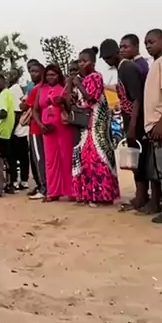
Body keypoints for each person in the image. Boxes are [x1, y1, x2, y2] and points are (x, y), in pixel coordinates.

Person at [100, 38, 149, 211]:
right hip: (130, 120)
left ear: (116, 53)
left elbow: (137, 99)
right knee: (135, 159)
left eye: (108, 57)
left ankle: (142, 197)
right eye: (104, 58)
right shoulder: (122, 68)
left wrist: (133, 126)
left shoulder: (127, 68)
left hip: (137, 121)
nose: (107, 61)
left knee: (139, 159)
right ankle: (140, 196)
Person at [72, 47, 119, 206]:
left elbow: (91, 99)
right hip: (87, 125)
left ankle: (102, 194)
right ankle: (89, 193)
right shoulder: (85, 79)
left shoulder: (96, 77)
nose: (81, 64)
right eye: (79, 61)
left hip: (97, 124)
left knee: (98, 157)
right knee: (86, 157)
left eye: (84, 61)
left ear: (92, 62)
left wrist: (79, 84)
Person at [32, 64, 73, 201]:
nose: (51, 77)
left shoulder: (63, 88)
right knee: (50, 160)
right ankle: (53, 192)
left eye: (53, 75)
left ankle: (70, 191)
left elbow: (70, 108)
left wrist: (63, 102)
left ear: (58, 76)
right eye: (48, 75)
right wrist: (40, 125)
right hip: (47, 129)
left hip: (63, 128)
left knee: (66, 158)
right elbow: (35, 110)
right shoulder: (41, 90)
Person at [143, 28, 162, 224]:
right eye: (146, 43)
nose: (148, 46)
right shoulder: (155, 64)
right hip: (154, 125)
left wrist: (160, 123)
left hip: (160, 125)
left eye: (152, 42)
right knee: (160, 169)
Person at [23, 62, 46, 199]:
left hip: (36, 128)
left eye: (35, 71)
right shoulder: (44, 87)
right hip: (42, 127)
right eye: (31, 71)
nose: (32, 74)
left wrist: (23, 104)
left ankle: (43, 187)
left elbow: (26, 106)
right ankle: (42, 186)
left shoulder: (37, 88)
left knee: (38, 158)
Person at [7, 68, 30, 190]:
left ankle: (23, 180)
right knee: (14, 156)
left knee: (21, 156)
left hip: (18, 129)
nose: (11, 76)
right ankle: (16, 179)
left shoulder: (15, 89)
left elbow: (17, 111)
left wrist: (11, 130)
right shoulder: (10, 89)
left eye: (14, 74)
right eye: (10, 74)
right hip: (13, 127)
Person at [0, 74, 16, 192]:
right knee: (8, 158)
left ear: (3, 82)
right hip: (8, 130)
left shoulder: (3, 94)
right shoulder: (7, 93)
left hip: (2, 130)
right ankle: (11, 183)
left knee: (4, 159)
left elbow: (3, 113)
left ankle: (9, 183)